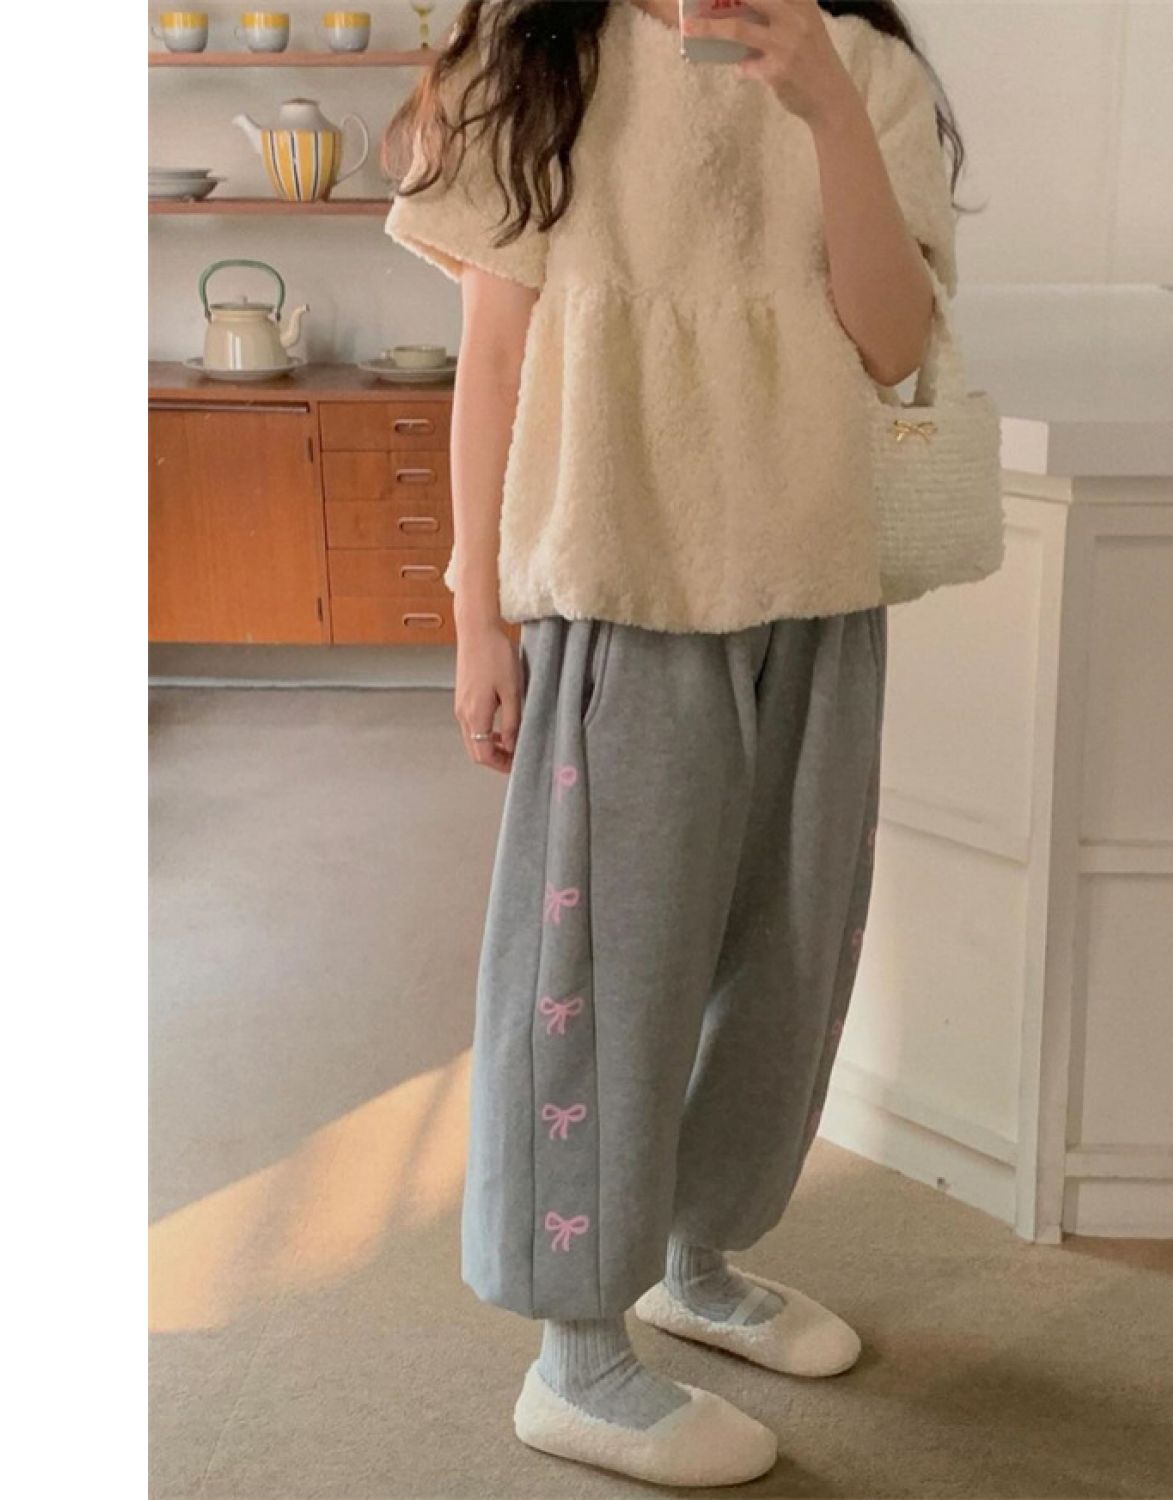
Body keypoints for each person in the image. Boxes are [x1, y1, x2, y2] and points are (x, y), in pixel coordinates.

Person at [383, 0, 963, 1485]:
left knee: (788, 959)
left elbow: (892, 343)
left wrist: (826, 103)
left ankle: (695, 1264)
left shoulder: (866, 68)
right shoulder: (540, 53)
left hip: (819, 592)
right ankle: (573, 1354)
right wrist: (476, 614)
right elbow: (493, 358)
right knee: (599, 978)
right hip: (619, 583)